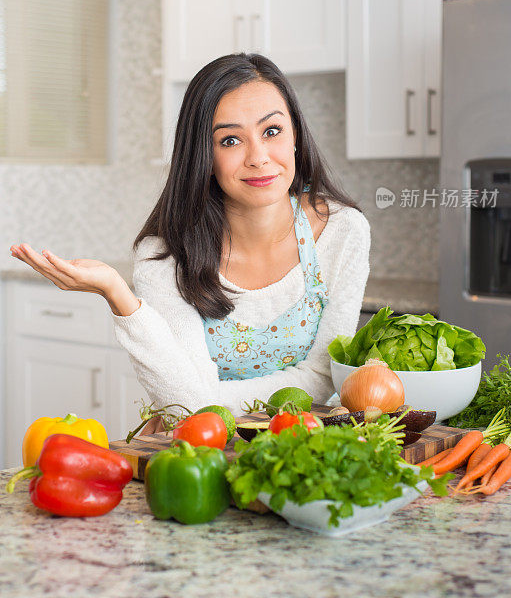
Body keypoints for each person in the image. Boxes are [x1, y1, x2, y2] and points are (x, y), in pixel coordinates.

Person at [10, 53, 370, 419]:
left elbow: (324, 378)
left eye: (271, 131)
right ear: (203, 155)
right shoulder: (165, 254)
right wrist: (118, 295)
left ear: (295, 135)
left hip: (302, 447)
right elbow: (186, 407)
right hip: (196, 453)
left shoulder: (342, 232)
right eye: (230, 140)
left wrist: (209, 398)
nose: (258, 157)